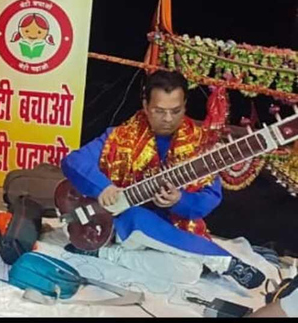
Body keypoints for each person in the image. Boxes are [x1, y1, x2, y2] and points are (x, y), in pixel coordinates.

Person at [60, 70, 265, 290]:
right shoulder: (119, 137)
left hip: (170, 232)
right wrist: (103, 187)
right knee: (136, 216)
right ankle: (221, 260)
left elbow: (209, 199)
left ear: (185, 105)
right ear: (146, 106)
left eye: (175, 111)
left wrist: (179, 200)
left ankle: (106, 254)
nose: (168, 119)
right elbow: (73, 162)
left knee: (190, 272)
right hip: (117, 225)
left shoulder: (201, 147)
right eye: (159, 111)